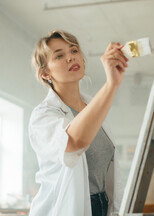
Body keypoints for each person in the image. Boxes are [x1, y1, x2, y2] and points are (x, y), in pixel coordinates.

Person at [29, 30, 128, 216]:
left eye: (74, 51)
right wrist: (111, 84)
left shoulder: (93, 107)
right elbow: (74, 142)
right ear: (45, 73)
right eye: (59, 55)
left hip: (101, 207)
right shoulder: (43, 116)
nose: (70, 58)